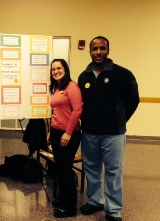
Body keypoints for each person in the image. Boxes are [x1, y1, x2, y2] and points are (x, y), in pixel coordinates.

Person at [78, 36, 139, 221]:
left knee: (113, 171)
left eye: (102, 48)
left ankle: (113, 210)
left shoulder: (123, 74)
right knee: (91, 169)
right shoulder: (84, 76)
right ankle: (96, 201)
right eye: (94, 49)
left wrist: (120, 120)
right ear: (90, 51)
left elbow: (133, 100)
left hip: (113, 134)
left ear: (108, 50)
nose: (98, 52)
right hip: (89, 133)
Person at [48, 58, 82, 218]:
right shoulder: (57, 87)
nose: (56, 71)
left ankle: (70, 207)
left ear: (65, 69)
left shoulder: (72, 86)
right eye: (53, 69)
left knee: (65, 169)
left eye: (59, 68)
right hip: (56, 132)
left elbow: (77, 111)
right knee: (59, 169)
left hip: (68, 134)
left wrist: (68, 133)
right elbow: (57, 111)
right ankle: (63, 198)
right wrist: (51, 131)